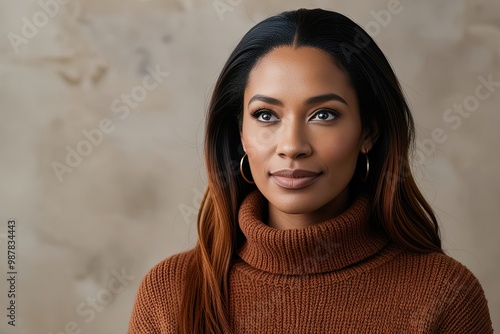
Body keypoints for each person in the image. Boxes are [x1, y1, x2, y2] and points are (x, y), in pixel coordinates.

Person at [128, 8, 493, 333]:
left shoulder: (445, 294)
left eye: (324, 115)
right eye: (266, 115)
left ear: (369, 131)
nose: (292, 145)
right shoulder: (170, 293)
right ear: (240, 132)